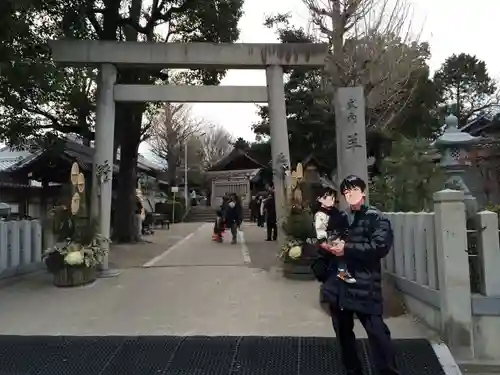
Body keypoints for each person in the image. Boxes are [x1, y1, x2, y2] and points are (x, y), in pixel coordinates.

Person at [318, 175, 399, 375]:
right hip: (340, 283)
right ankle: (353, 370)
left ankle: (388, 371)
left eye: (353, 190)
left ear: (363, 192)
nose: (350, 195)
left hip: (364, 284)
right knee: (343, 333)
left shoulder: (377, 218)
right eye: (346, 192)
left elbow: (379, 247)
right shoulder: (343, 217)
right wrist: (326, 246)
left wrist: (347, 249)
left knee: (377, 333)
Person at [313, 186, 355, 284]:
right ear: (319, 199)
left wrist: (343, 240)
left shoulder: (336, 212)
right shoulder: (320, 215)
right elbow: (320, 232)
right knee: (330, 274)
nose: (330, 199)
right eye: (327, 197)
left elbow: (344, 228)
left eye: (332, 197)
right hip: (328, 246)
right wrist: (326, 245)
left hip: (338, 241)